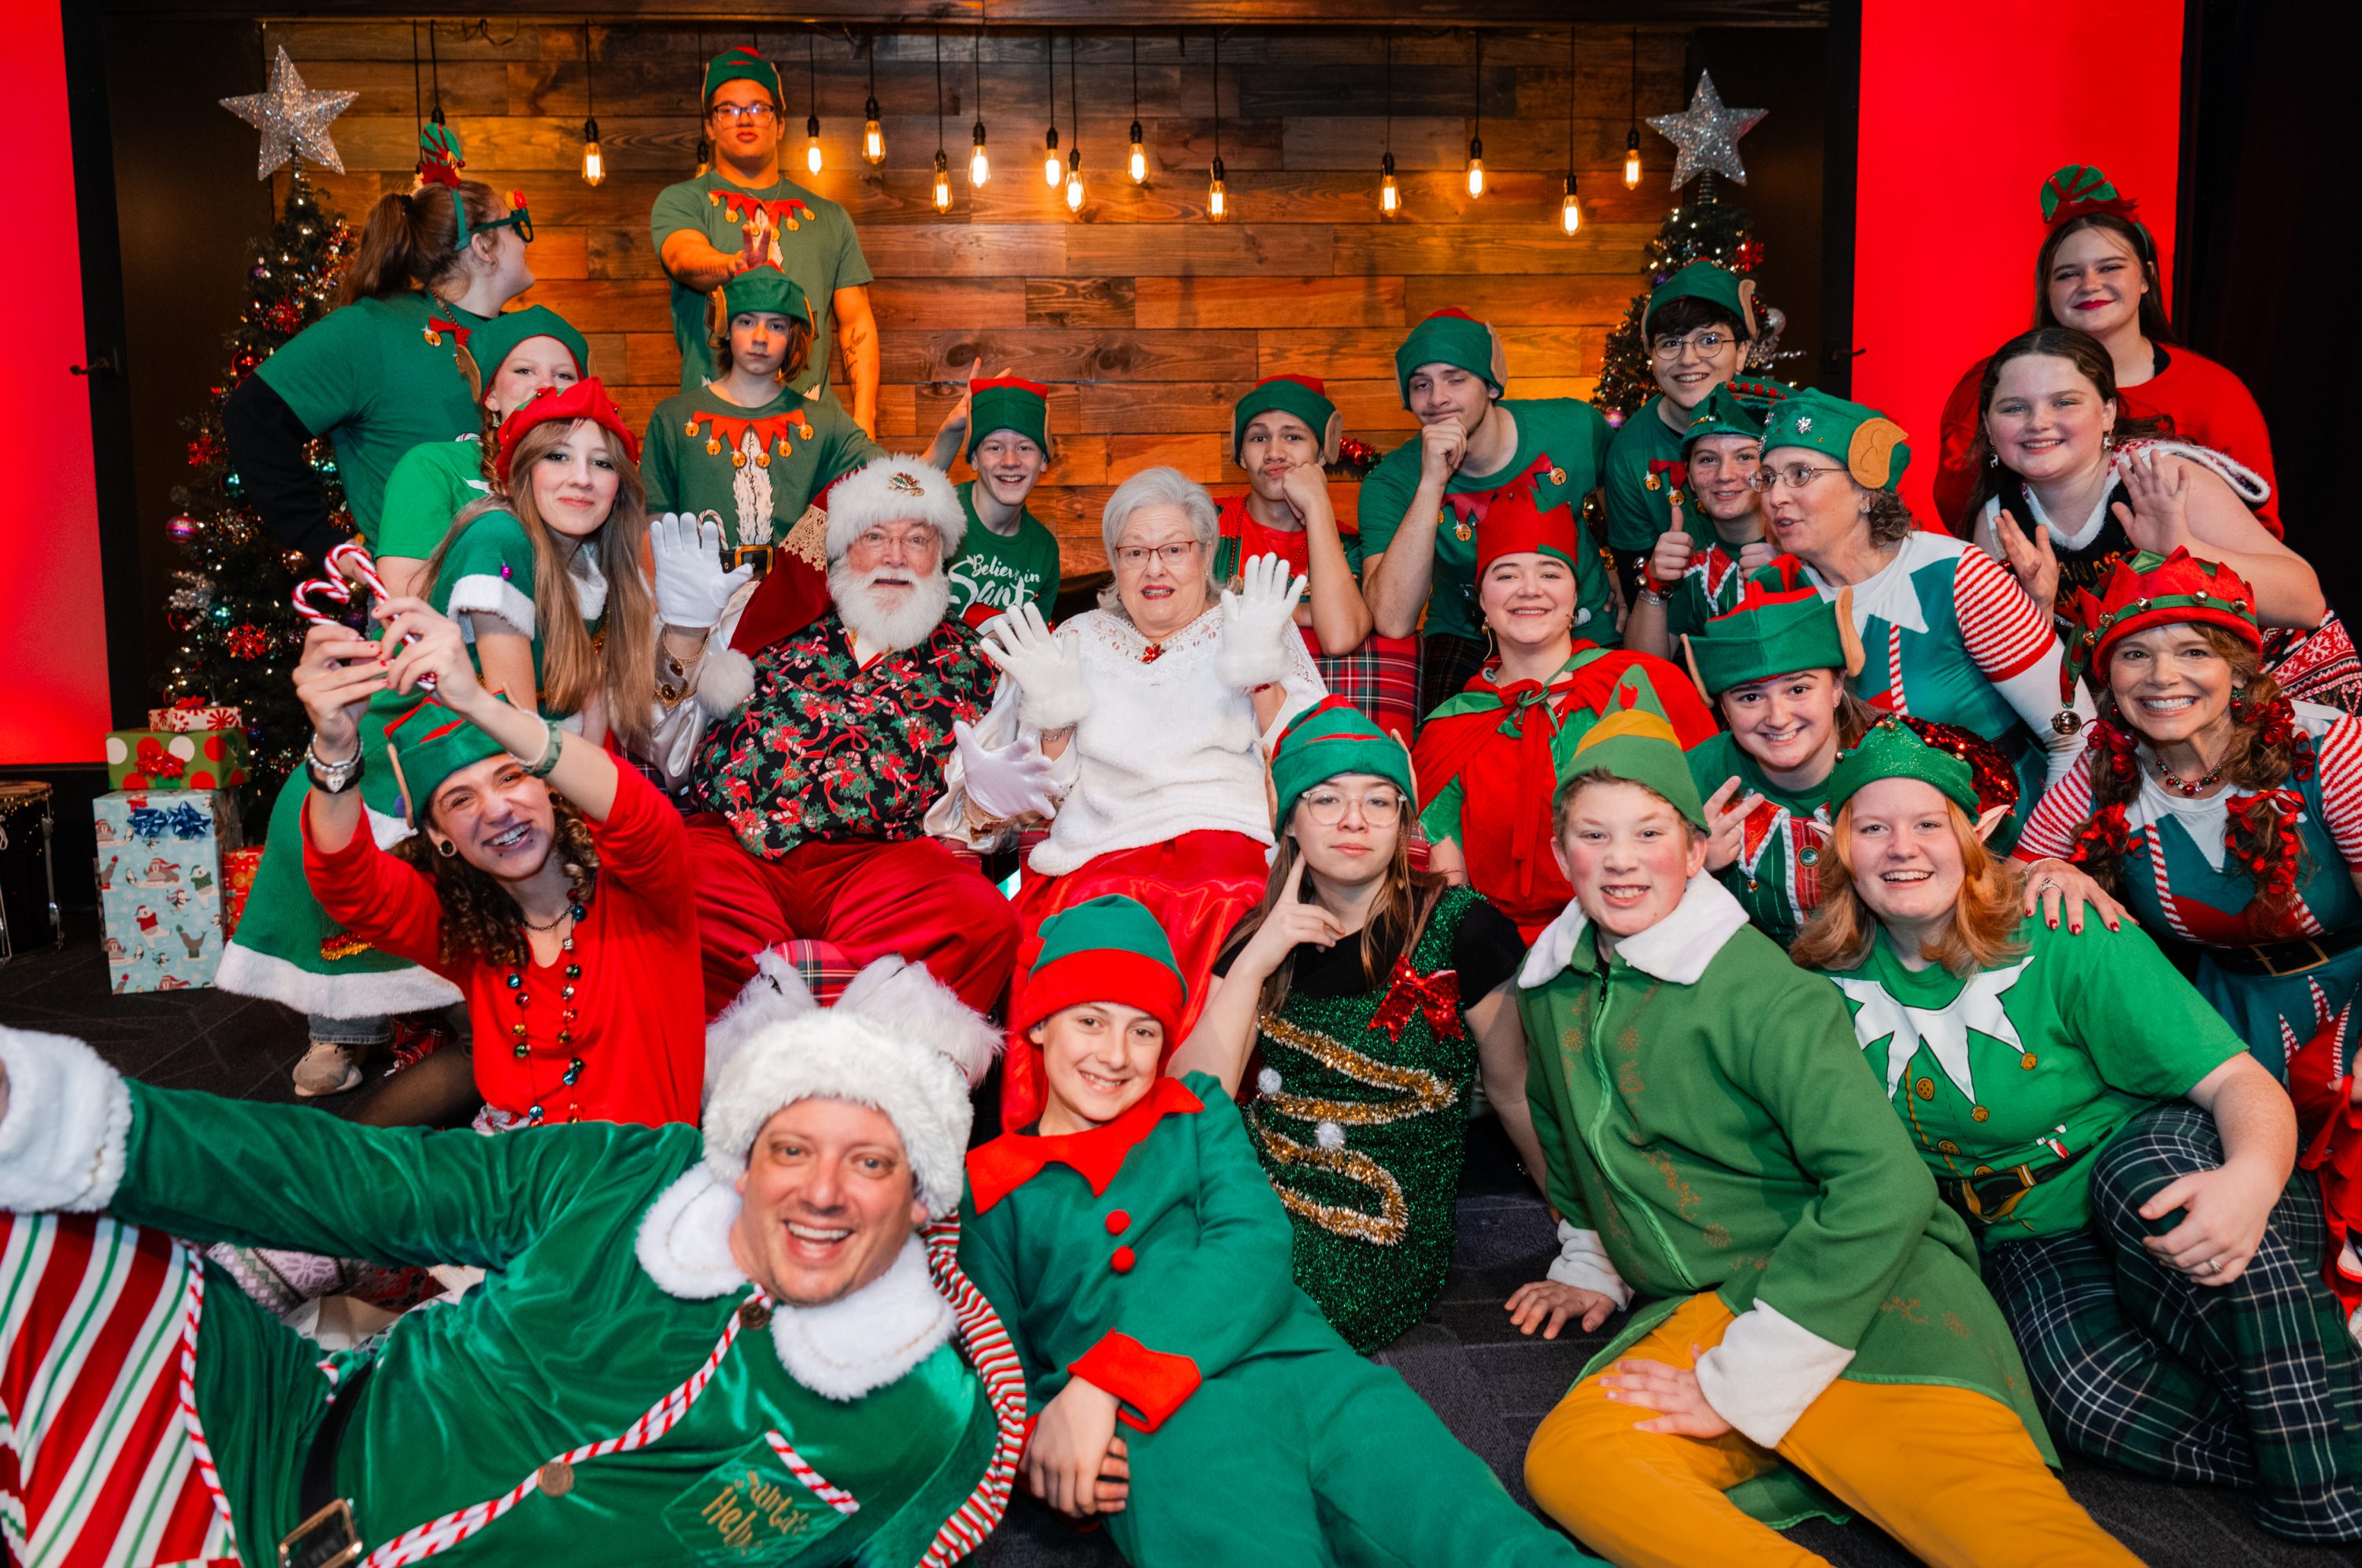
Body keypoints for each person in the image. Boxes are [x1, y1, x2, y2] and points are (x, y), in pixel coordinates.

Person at [0, 956, 1027, 1565]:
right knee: (30, 1223)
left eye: (871, 1163)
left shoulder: (920, 1414)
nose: (821, 1194)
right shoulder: (629, 1175)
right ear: (742, 1153)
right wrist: (57, 1112)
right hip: (264, 1444)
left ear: (920, 1194)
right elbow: (363, 1183)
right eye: (792, 1150)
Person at [1505, 712, 2142, 1567]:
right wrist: (1589, 1256)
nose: (1621, 859)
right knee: (1578, 1460)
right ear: (1561, 856)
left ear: (1695, 851)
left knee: (2012, 1537)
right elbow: (1561, 1123)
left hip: (1869, 1301)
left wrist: (1745, 1381)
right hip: (1707, 1313)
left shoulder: (1766, 993)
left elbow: (1887, 1188)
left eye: (1649, 833)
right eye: (1595, 836)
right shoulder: (1551, 986)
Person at [1798, 718, 2362, 1542]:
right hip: (2023, 1226)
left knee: (2177, 1210)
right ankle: (2317, 1440)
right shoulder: (1816, 981)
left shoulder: (2060, 927)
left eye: (1927, 824)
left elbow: (2239, 1083)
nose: (1902, 849)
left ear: (1976, 835)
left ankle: (2327, 1496)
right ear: (1840, 847)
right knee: (2081, 1398)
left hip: (2147, 1157)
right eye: (1873, 829)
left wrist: (2250, 1181)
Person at [956, 897, 1600, 1566]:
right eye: (1090, 1021)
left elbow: (1253, 1245)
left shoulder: (1196, 1112)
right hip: (1165, 1425)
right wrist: (1043, 1449)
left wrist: (1102, 1381)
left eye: (1143, 1031)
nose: (1115, 1055)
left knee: (1485, 1533)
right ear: (1039, 1025)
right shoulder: (987, 1187)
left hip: (1307, 1369)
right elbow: (995, 1370)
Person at [219, 379, 683, 1097]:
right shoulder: (501, 539)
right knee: (500, 1023)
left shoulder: (596, 568)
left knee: (513, 1025)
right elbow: (514, 727)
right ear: (520, 469)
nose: (583, 479)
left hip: (481, 797)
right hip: (416, 795)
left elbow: (593, 727)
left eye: (601, 463)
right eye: (559, 457)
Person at [2016, 550, 2362, 1322]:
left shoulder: (2327, 749)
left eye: (2193, 651)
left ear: (2239, 670)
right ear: (2109, 679)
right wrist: (2055, 872)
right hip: (2228, 1018)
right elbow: (2018, 873)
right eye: (2135, 654)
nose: (2161, 676)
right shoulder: (2103, 769)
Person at [929, 468, 1324, 1125]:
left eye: (1174, 549)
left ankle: (1189, 1125)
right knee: (1063, 920)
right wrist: (1053, 720)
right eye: (1135, 552)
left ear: (1205, 551)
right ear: (1115, 561)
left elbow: (1309, 759)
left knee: (1224, 898)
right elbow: (1040, 794)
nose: (1154, 568)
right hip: (1097, 847)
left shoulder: (1251, 621)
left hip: (1225, 837)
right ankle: (1071, 1135)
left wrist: (1261, 675)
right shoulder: (1077, 638)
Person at [1173, 701, 1544, 1351]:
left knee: (1233, 1311)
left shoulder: (1463, 928)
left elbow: (1515, 1092)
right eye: (1326, 800)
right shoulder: (1260, 936)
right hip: (1253, 1187)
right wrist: (1257, 960)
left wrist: (1581, 1231)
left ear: (1404, 819)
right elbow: (1189, 1103)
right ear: (1289, 822)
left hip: (1375, 1223)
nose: (1354, 820)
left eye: (1378, 800)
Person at [290, 602, 701, 1131]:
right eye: (460, 800)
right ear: (440, 837)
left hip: (641, 1175)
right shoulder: (466, 933)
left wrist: (479, 704)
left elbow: (639, 815)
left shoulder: (643, 898)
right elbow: (349, 885)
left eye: (511, 777)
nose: (497, 808)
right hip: (504, 1171)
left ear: (549, 784)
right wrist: (335, 747)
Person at [671, 455, 1023, 1019]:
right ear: (841, 549)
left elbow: (988, 820)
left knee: (982, 922)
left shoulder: (980, 662)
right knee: (662, 891)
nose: (895, 556)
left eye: (917, 539)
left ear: (941, 555)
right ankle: (743, 1047)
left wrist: (988, 808)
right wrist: (682, 637)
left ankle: (864, 1053)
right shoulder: (764, 619)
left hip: (880, 863)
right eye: (874, 536)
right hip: (736, 846)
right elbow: (668, 741)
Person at [1747, 387, 2091, 850]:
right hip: (1871, 857)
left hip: (2002, 850)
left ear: (1866, 491)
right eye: (1767, 478)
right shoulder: (1775, 592)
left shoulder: (1960, 576)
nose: (1776, 496)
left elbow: (2076, 737)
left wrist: (2033, 862)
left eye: (1800, 475)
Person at [1962, 326, 2350, 710]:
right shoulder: (1998, 522)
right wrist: (2037, 611)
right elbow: (2020, 679)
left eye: (2064, 402)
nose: (2039, 422)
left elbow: (2305, 604)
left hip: (2283, 692)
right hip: (2148, 709)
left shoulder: (2160, 478)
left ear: (2108, 412)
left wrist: (2186, 549)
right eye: (2014, 408)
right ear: (1989, 427)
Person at [1410, 479, 1719, 941]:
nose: (1529, 590)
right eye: (1506, 575)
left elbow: (1706, 818)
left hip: (1652, 932)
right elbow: (1450, 885)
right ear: (1483, 602)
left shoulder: (1643, 686)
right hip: (1507, 954)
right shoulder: (1453, 726)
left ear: (1576, 597)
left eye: (1551, 574)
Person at [227, 129, 537, 568]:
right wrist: (322, 539)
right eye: (513, 225)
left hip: (528, 587)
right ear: (484, 246)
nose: (524, 240)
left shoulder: (526, 339)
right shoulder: (370, 331)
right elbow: (253, 418)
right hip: (419, 594)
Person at [1936, 164, 2282, 536]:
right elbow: (1963, 514)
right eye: (2068, 274)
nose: (2089, 284)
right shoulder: (1993, 383)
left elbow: (2258, 532)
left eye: (2110, 267)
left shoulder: (2215, 392)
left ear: (2147, 278)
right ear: (2046, 289)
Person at [1357, 309, 1616, 715]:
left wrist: (1623, 573)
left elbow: (1619, 498)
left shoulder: (1574, 428)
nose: (1437, 398)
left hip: (1581, 622)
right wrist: (1431, 484)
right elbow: (1392, 619)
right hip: (1467, 637)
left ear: (1492, 386)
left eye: (1455, 379)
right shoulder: (1391, 482)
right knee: (1449, 741)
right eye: (1421, 384)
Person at [652, 46, 877, 430]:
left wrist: (864, 419)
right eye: (728, 109)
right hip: (710, 429)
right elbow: (682, 257)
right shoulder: (683, 201)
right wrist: (733, 265)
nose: (745, 118)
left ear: (780, 124)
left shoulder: (830, 217)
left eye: (759, 107)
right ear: (709, 126)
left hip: (813, 429)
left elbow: (857, 323)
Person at [642, 263, 887, 573]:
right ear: (726, 328)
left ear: (792, 336)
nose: (760, 337)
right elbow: (652, 526)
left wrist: (943, 442)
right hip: (696, 594)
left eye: (776, 326)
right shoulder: (673, 419)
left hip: (787, 596)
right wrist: (658, 597)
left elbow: (894, 480)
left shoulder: (824, 422)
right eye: (746, 322)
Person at [1215, 375, 1416, 740]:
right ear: (1241, 454)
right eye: (1258, 438)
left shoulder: (1347, 545)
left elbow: (1338, 636)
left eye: (1293, 437)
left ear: (1322, 452)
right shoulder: (1209, 524)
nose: (1274, 452)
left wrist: (1318, 505)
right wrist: (1303, 613)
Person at [374, 303, 589, 598]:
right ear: (491, 395)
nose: (546, 386)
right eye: (524, 370)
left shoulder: (596, 480)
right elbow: (405, 594)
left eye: (564, 375)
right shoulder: (433, 467)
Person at [1601, 261, 1764, 592]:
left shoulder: (1783, 419)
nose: (1688, 359)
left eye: (1710, 340)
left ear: (1742, 352)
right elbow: (1637, 578)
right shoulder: (1630, 454)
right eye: (1671, 343)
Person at [1623, 378, 1784, 663]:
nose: (1725, 475)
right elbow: (1643, 670)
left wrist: (1792, 576)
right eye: (1708, 460)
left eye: (1745, 457)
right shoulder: (1691, 551)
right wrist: (1656, 583)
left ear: (1771, 469)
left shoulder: (1805, 539)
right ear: (1690, 479)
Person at [946, 377, 1064, 627]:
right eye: (995, 448)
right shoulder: (939, 516)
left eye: (1024, 448)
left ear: (1043, 460)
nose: (1010, 461)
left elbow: (1035, 642)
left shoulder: (1044, 551)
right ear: (974, 458)